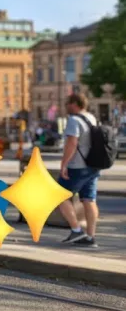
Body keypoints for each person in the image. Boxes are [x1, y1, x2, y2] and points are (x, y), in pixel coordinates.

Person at [57, 93, 101, 248]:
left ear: (74, 104)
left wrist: (64, 164)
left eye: (67, 104)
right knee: (89, 200)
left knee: (59, 195)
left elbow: (72, 143)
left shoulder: (74, 120)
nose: (65, 107)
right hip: (93, 166)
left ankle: (76, 230)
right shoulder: (91, 118)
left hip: (78, 166)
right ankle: (90, 236)